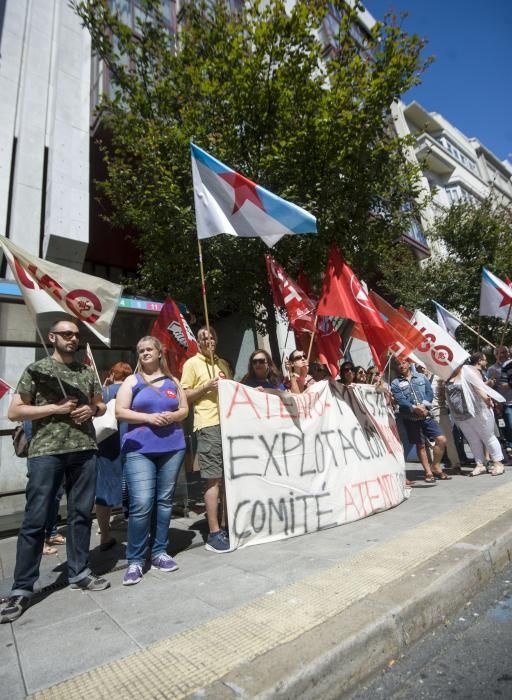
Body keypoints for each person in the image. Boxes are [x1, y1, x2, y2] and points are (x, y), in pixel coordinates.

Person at [0, 318, 109, 624]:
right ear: (52, 337)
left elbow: (100, 404)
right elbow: (15, 411)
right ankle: (22, 588)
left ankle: (80, 571)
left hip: (84, 449)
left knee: (79, 515)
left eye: (75, 334)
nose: (72, 338)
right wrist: (54, 409)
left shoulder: (86, 371)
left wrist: (93, 409)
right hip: (46, 452)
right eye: (66, 334)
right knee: (36, 519)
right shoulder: (37, 370)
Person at [116, 337, 188, 585]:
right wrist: (149, 418)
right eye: (141, 350)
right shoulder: (131, 380)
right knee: (142, 503)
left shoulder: (173, 381)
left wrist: (173, 415)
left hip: (172, 447)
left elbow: (184, 409)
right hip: (139, 449)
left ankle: (159, 552)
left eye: (149, 349)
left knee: (164, 501)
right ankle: (135, 559)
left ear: (160, 353)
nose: (145, 353)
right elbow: (120, 412)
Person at [181, 326, 232, 553]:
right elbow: (185, 396)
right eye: (204, 338)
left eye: (212, 336)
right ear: (198, 342)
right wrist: (205, 387)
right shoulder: (192, 364)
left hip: (229, 424)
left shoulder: (222, 364)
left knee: (229, 479)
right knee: (214, 479)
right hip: (209, 425)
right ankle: (213, 533)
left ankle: (226, 525)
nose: (208, 340)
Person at [445, 355, 506, 477]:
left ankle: (498, 463)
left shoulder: (467, 371)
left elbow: (478, 386)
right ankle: (480, 464)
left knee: (487, 437)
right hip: (461, 415)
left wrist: (485, 398)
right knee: (472, 440)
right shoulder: (447, 376)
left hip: (477, 411)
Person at [390, 358, 448, 483]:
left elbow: (429, 393)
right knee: (420, 445)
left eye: (403, 362)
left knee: (441, 439)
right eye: (398, 364)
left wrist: (424, 406)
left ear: (409, 363)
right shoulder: (395, 383)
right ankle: (428, 472)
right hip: (410, 418)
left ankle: (435, 466)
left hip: (426, 415)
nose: (401, 365)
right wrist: (414, 408)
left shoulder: (421, 377)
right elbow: (400, 399)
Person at [95, 362, 132, 551]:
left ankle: (105, 536)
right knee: (133, 489)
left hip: (105, 446)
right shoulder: (132, 390)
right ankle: (136, 533)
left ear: (112, 373)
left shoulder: (103, 392)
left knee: (103, 491)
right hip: (128, 445)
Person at [487, 346, 512, 455]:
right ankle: (510, 448)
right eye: (501, 353)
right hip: (504, 403)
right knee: (509, 425)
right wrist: (496, 402)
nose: (504, 355)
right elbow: (488, 388)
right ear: (496, 355)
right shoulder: (492, 369)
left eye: (506, 352)